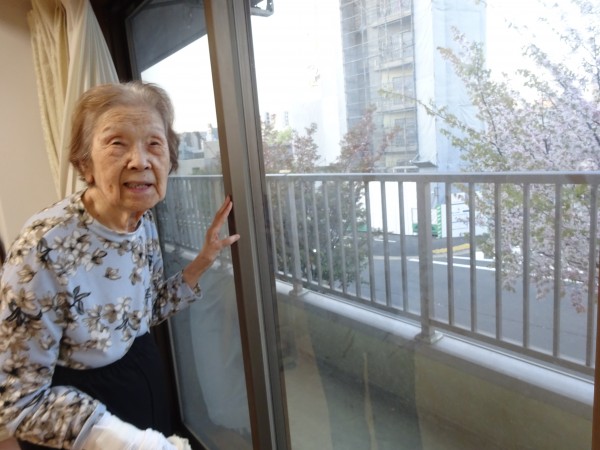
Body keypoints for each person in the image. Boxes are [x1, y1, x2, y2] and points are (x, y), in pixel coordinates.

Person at [0, 81, 240, 449]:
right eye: (117, 143)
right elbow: (17, 401)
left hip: (140, 374)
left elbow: (143, 312)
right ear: (85, 164)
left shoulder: (141, 220)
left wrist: (203, 261)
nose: (140, 161)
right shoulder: (42, 248)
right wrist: (132, 443)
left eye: (154, 144)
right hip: (81, 414)